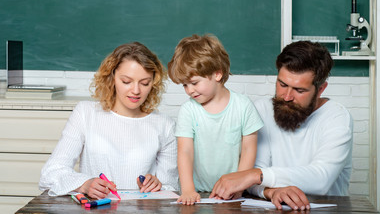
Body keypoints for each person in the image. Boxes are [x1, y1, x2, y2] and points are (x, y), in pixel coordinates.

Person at [210, 41, 353, 211]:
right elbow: (250, 180)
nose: (286, 97)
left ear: (321, 89)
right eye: (282, 85)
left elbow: (322, 178)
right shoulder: (261, 110)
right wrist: (271, 192)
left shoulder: (337, 117)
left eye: (299, 90)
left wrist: (256, 175)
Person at [39, 42, 179, 199]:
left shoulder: (165, 125)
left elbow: (171, 187)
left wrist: (157, 185)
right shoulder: (86, 113)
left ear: (153, 83)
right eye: (126, 81)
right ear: (112, 78)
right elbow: (50, 174)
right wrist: (85, 183)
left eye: (145, 83)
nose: (136, 90)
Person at [167, 34, 264, 205]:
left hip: (235, 193)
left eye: (194, 83)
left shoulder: (243, 106)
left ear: (217, 74)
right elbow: (185, 152)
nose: (189, 90)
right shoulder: (188, 110)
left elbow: (249, 149)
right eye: (185, 85)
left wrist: (239, 186)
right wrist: (188, 190)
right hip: (199, 193)